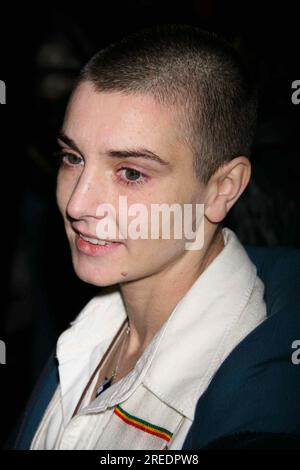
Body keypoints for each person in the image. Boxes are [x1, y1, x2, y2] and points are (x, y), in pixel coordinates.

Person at [15, 24, 299, 450]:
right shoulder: (87, 333)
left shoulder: (256, 415)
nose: (77, 204)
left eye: (130, 173)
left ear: (223, 188)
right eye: (72, 158)